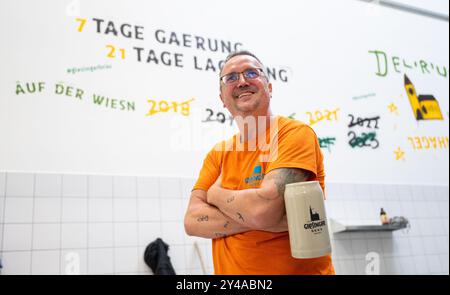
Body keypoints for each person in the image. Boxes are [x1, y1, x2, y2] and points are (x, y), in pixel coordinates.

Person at [184, 50, 335, 275]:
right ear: (222, 99)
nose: (242, 81)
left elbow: (263, 211)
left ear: (269, 87)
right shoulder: (218, 154)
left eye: (251, 73)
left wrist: (215, 196)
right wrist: (270, 218)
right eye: (231, 78)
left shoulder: (294, 134)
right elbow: (192, 221)